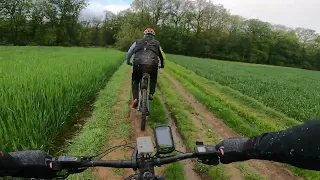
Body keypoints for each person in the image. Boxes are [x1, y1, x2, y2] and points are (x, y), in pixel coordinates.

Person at [1, 118, 320, 179]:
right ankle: (147, 94)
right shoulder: (154, 47)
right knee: (149, 81)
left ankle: (136, 96)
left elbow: (130, 58)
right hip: (152, 67)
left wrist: (16, 163)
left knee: (136, 80)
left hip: (139, 66)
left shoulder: (139, 45)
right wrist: (238, 148)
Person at [126, 28, 166, 107]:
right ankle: (151, 94)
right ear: (153, 36)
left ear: (144, 35)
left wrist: (128, 61)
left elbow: (129, 52)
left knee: (135, 80)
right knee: (153, 78)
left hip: (138, 64)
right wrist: (162, 65)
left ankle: (135, 99)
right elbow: (162, 56)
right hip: (153, 64)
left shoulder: (137, 41)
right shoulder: (157, 43)